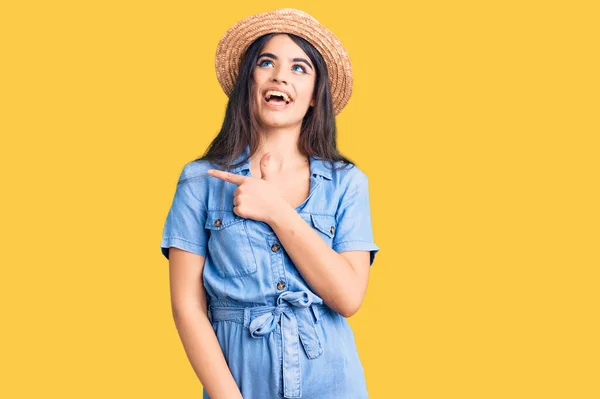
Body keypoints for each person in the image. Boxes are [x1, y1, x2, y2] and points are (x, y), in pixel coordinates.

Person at [160, 8, 380, 399]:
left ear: (315, 97)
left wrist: (276, 211)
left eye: (300, 68)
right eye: (267, 63)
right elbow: (186, 307)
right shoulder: (200, 181)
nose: (280, 75)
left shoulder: (348, 183)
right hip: (240, 380)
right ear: (250, 82)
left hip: (332, 380)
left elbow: (347, 297)